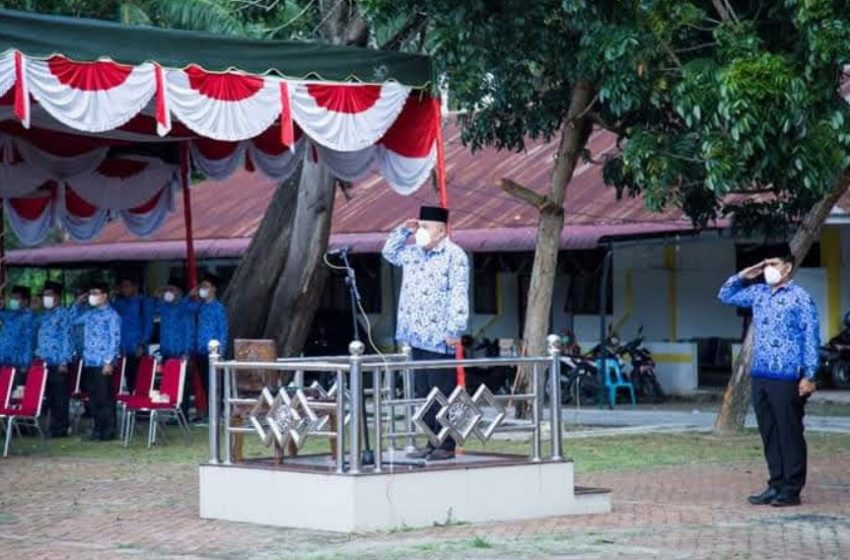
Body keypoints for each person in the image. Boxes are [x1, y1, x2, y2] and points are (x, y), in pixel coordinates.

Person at [718, 244, 819, 507]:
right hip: (761, 373)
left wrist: (809, 375)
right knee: (769, 431)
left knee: (789, 431)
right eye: (765, 265)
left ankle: (792, 488)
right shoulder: (759, 294)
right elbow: (725, 295)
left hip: (788, 375)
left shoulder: (800, 297)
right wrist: (745, 274)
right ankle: (775, 484)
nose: (768, 269)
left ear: (787, 267)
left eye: (773, 264)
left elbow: (811, 336)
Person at [382, 205, 469, 461]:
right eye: (420, 226)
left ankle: (447, 444)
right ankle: (431, 441)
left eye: (426, 227)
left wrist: (455, 328)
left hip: (439, 337)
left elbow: (458, 294)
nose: (421, 231)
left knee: (442, 392)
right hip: (414, 335)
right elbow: (389, 252)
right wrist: (404, 230)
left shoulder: (455, 255)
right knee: (424, 394)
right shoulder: (414, 253)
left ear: (441, 231)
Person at [73, 282, 121, 441]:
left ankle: (108, 430)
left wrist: (109, 361)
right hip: (89, 361)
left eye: (95, 292)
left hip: (103, 362)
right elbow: (73, 320)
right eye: (90, 292)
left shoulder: (112, 315)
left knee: (105, 397)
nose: (92, 295)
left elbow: (114, 340)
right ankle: (98, 428)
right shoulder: (90, 314)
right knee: (93, 398)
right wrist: (78, 304)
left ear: (104, 295)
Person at [150, 278, 195, 415]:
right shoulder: (163, 307)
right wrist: (156, 294)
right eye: (167, 290)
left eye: (172, 290)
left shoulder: (185, 307)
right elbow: (150, 309)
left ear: (179, 292)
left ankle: (183, 412)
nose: (169, 293)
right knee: (168, 383)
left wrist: (187, 351)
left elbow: (189, 330)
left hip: (181, 352)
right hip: (166, 351)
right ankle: (171, 412)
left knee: (182, 384)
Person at [35, 281, 74, 438]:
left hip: (58, 362)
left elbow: (67, 338)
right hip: (44, 361)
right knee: (49, 397)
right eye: (44, 295)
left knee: (59, 397)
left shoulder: (63, 314)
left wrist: (64, 360)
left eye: (49, 295)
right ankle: (52, 426)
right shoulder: (44, 315)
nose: (46, 298)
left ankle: (61, 428)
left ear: (57, 297)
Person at [187, 275, 229, 422]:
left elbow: (223, 330)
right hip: (200, 350)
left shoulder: (218, 308)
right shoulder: (200, 306)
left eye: (206, 286)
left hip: (214, 351)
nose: (203, 290)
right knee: (206, 383)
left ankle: (219, 412)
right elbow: (186, 309)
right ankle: (211, 413)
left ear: (213, 289)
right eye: (202, 287)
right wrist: (192, 295)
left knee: (216, 384)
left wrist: (221, 351)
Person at [111, 276, 149, 393]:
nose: (124, 289)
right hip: (124, 348)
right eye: (122, 287)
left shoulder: (142, 302)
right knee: (129, 378)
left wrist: (142, 344)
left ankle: (141, 408)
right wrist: (112, 295)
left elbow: (147, 324)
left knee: (140, 379)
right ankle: (132, 407)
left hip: (137, 347)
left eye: (127, 286)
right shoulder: (119, 303)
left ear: (135, 287)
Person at [0, 285, 38, 386]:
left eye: (16, 298)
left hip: (19, 364)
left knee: (15, 395)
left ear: (25, 301)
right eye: (12, 298)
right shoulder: (9, 314)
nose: (13, 301)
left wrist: (25, 363)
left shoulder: (29, 317)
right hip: (4, 361)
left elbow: (29, 342)